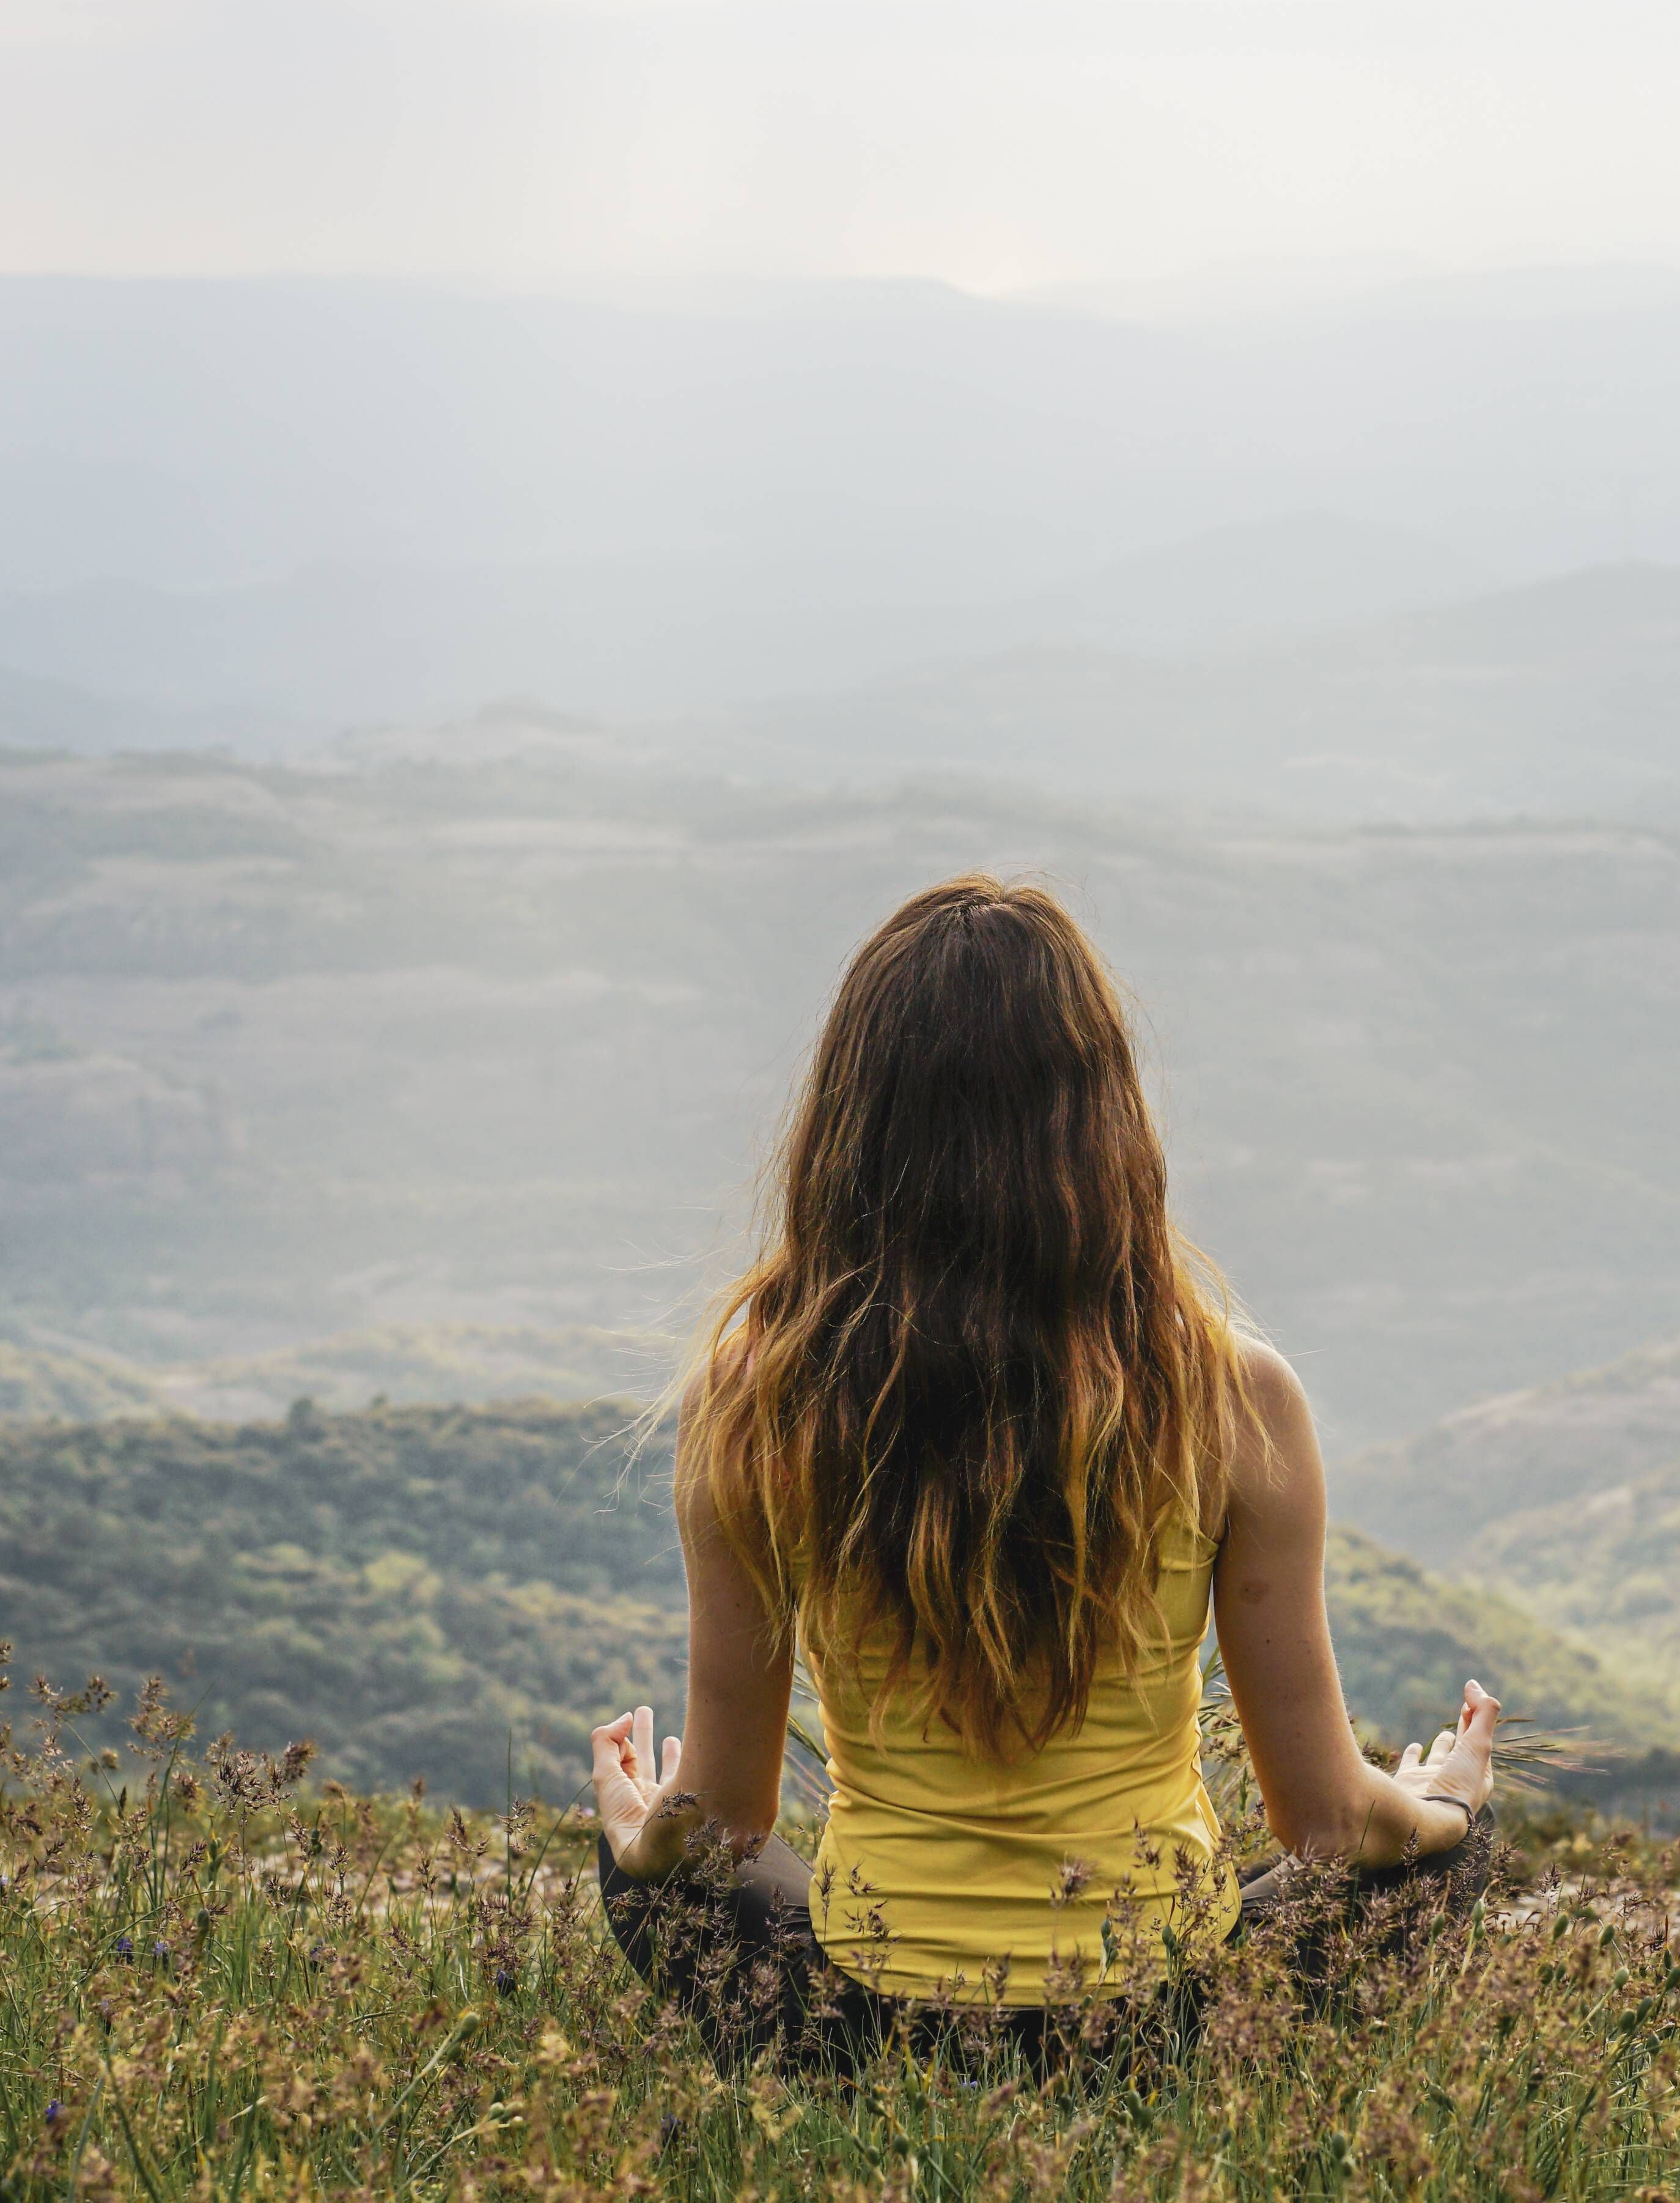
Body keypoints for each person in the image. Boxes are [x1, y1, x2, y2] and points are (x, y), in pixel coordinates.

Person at [584, 873, 1502, 2063]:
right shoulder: (1236, 1397)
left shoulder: (754, 1397)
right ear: (1108, 1122)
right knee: (1447, 1844)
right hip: (1161, 2028)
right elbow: (1328, 1823)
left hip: (869, 2031)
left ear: (851, 1130)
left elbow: (725, 1826)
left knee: (657, 1874)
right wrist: (1440, 1805)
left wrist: (640, 1833)